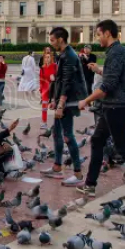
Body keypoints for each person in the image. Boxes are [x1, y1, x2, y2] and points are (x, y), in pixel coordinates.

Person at [78, 19, 125, 198]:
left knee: (122, 145)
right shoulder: (119, 51)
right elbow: (115, 77)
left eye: (99, 35)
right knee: (98, 140)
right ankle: (90, 184)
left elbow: (107, 87)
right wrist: (99, 71)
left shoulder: (116, 52)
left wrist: (86, 100)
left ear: (107, 33)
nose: (97, 39)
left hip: (117, 107)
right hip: (114, 106)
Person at [42, 27, 86, 184]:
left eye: (53, 40)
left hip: (68, 100)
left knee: (68, 136)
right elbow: (60, 80)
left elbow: (67, 81)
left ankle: (78, 174)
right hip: (63, 99)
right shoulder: (63, 54)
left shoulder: (69, 56)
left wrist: (60, 104)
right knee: (56, 133)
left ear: (61, 39)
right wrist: (54, 99)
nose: (51, 43)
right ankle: (57, 166)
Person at [39, 48, 57, 131]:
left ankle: (57, 124)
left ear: (51, 58)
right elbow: (41, 81)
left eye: (48, 57)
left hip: (54, 89)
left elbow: (60, 77)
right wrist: (41, 91)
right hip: (45, 90)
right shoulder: (42, 68)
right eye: (45, 57)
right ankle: (44, 122)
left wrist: (54, 78)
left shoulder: (55, 66)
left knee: (55, 106)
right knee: (44, 106)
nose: (47, 59)